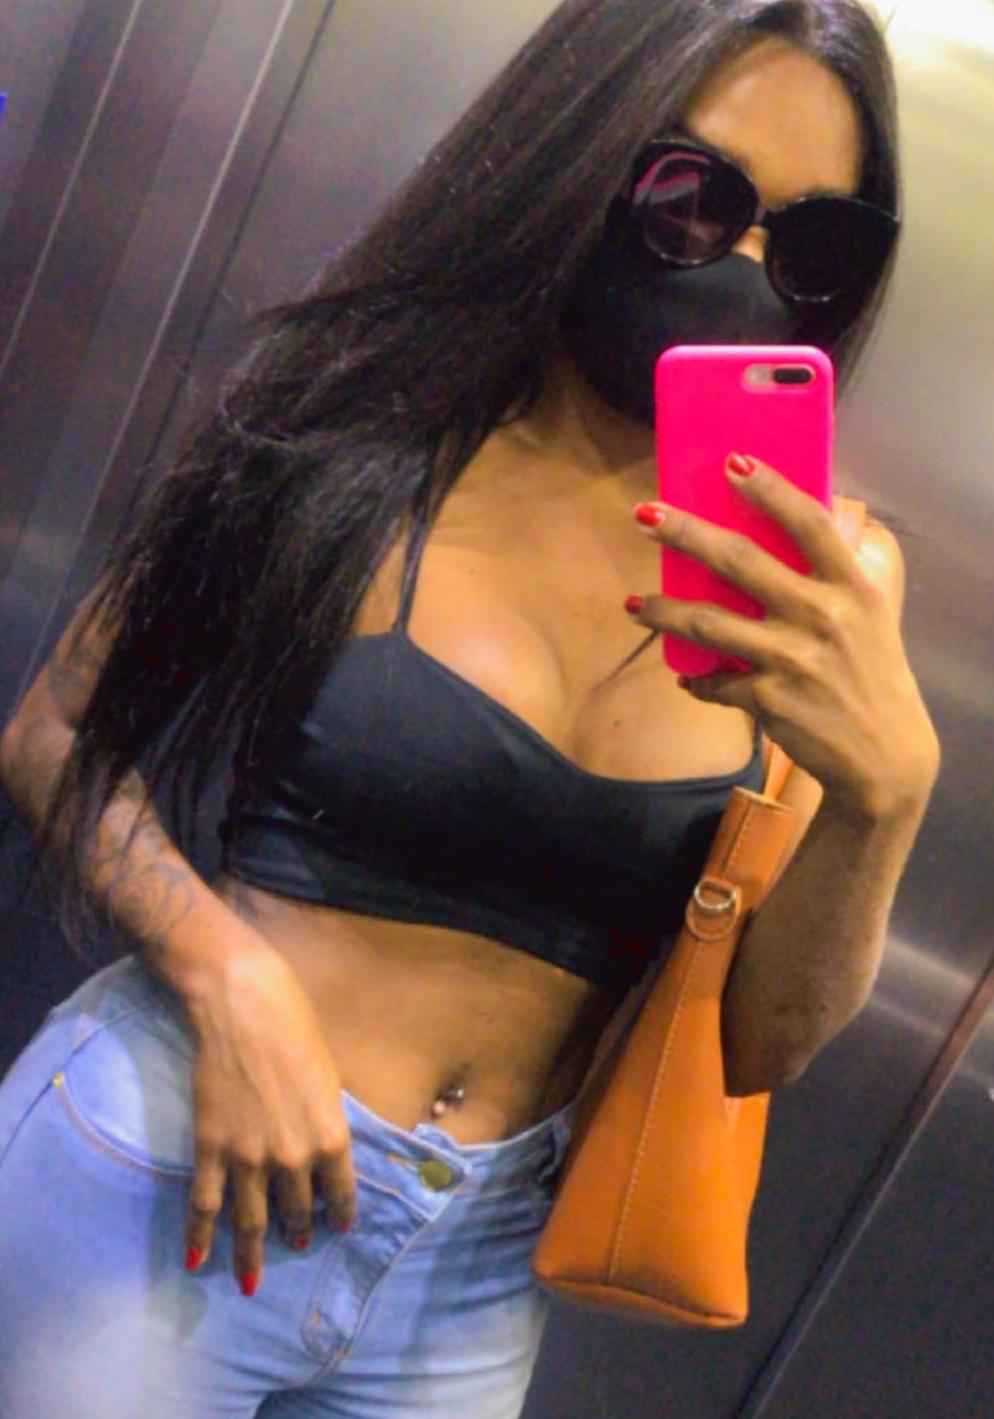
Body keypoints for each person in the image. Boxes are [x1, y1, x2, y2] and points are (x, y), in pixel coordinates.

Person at [0, 1, 940, 1415]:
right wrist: (225, 974)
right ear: (580, 163)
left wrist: (885, 798)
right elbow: (55, 734)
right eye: (690, 199)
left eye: (814, 241)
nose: (741, 267)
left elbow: (765, 1043)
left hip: (469, 1277)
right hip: (173, 1171)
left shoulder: (824, 581)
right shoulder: (362, 448)